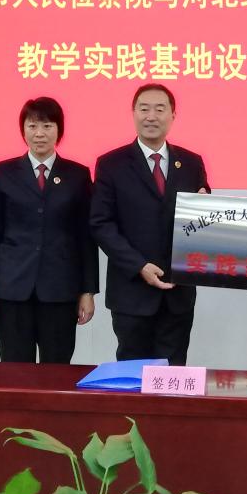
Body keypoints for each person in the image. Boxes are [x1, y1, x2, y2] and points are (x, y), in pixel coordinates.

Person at [88, 83, 209, 366]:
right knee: (132, 374)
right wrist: (139, 265)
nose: (151, 116)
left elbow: (202, 222)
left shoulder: (191, 163)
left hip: (177, 293)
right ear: (133, 113)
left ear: (173, 115)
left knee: (172, 374)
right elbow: (101, 223)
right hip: (131, 292)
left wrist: (206, 206)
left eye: (159, 109)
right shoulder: (111, 164)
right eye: (144, 109)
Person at [0, 97, 98, 363]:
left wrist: (88, 291)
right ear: (23, 130)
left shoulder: (77, 175)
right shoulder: (4, 172)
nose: (39, 133)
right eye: (32, 126)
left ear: (59, 130)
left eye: (47, 126)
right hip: (12, 290)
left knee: (57, 369)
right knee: (15, 370)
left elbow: (85, 238)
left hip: (60, 290)